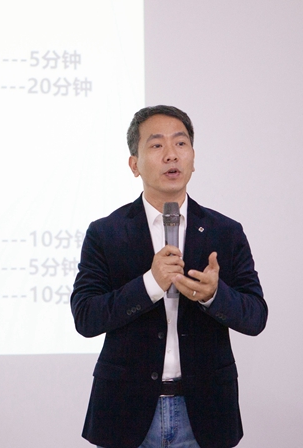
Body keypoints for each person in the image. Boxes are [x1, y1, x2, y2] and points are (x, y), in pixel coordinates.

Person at [71, 105, 268, 448]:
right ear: (134, 164)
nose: (171, 154)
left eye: (180, 143)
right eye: (156, 145)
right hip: (125, 412)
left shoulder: (225, 232)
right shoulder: (106, 233)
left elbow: (255, 316)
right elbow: (86, 317)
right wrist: (150, 284)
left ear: (193, 157)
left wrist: (213, 295)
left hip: (205, 412)